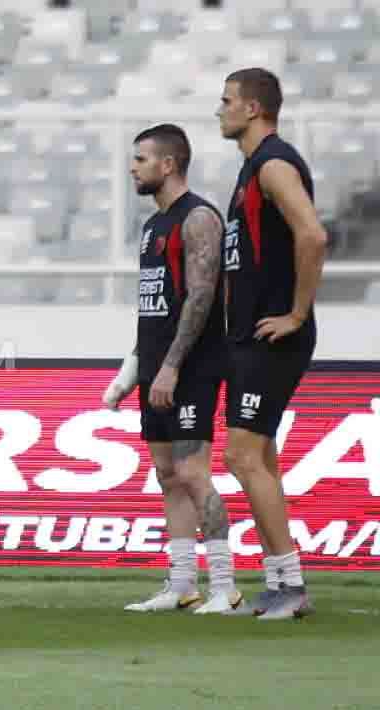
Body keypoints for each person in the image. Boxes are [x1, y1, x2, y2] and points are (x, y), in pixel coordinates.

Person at [105, 124, 240, 614]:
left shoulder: (198, 218)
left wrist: (172, 367)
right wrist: (132, 370)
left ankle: (225, 584)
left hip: (192, 368)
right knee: (166, 474)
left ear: (168, 164)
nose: (132, 167)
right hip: (157, 369)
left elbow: (201, 298)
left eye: (140, 159)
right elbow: (154, 310)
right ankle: (181, 583)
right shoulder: (152, 228)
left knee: (192, 470)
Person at [217, 68, 325, 619]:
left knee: (241, 454)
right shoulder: (249, 170)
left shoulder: (274, 163)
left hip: (272, 335)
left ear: (253, 108)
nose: (220, 109)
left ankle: (290, 582)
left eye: (227, 100)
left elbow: (312, 233)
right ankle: (281, 580)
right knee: (259, 456)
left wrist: (297, 313)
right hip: (250, 335)